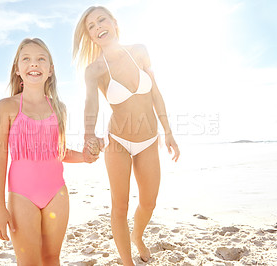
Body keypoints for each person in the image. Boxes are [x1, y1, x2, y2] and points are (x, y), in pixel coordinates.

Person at [73, 6, 180, 265]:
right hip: (118, 141)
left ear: (114, 23)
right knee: (119, 207)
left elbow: (155, 93)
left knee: (149, 202)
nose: (98, 27)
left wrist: (168, 132)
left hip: (148, 140)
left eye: (102, 20)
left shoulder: (139, 51)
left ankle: (137, 237)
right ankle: (126, 261)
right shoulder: (94, 70)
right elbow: (91, 104)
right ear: (89, 36)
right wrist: (89, 134)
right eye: (91, 26)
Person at [0, 38, 98, 265]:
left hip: (57, 194)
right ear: (17, 70)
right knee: (29, 262)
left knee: (51, 259)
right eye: (26, 59)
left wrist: (85, 157)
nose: (34, 64)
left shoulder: (59, 108)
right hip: (22, 196)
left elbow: (59, 152)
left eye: (41, 59)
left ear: (50, 70)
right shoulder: (6, 106)